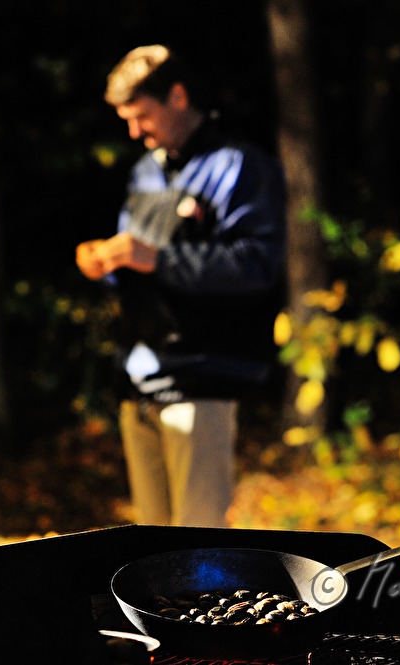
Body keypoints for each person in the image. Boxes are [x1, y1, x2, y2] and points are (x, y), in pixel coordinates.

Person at [76, 45, 286, 527]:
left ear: (177, 95)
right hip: (139, 376)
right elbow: (135, 265)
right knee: (149, 546)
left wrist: (158, 259)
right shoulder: (144, 170)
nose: (134, 132)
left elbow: (256, 265)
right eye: (126, 120)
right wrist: (106, 264)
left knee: (198, 544)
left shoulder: (238, 166)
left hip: (202, 380)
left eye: (142, 116)